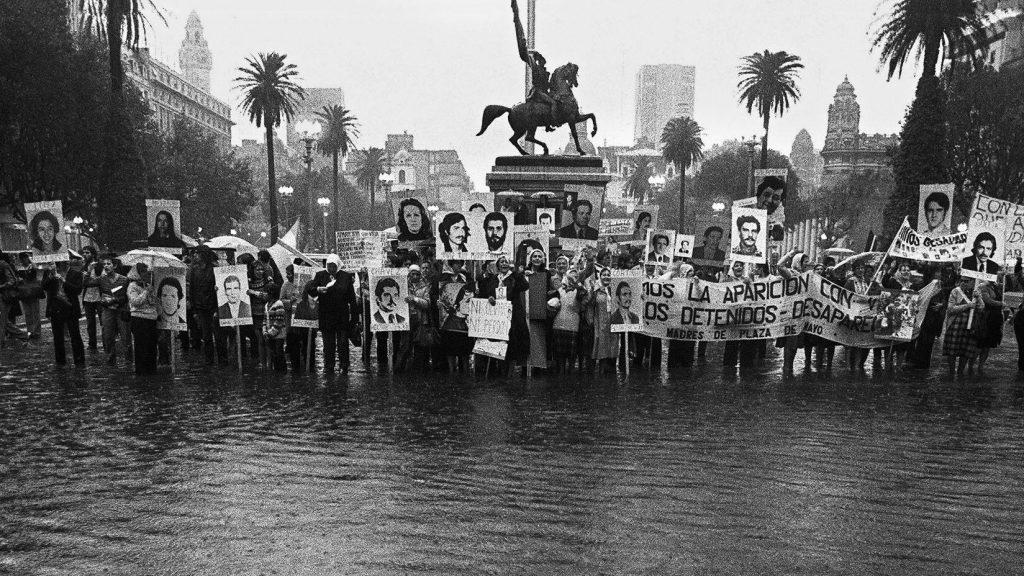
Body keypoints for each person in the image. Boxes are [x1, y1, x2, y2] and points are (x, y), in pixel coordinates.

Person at [306, 254, 359, 375]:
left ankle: (344, 365)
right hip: (326, 315)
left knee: (342, 343)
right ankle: (329, 365)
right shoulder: (321, 275)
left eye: (333, 266)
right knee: (328, 343)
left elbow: (351, 297)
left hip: (342, 315)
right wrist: (319, 289)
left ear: (338, 265)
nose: (331, 269)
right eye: (329, 266)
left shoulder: (345, 276)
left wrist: (354, 317)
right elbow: (311, 289)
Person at [477, 255, 530, 374]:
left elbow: (525, 286)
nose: (504, 264)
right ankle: (499, 370)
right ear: (498, 265)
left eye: (506, 262)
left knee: (511, 343)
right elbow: (487, 293)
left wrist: (516, 272)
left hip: (513, 316)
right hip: (497, 316)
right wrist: (489, 298)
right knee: (498, 343)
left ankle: (510, 372)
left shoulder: (515, 277)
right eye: (502, 262)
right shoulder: (494, 279)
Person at [512, 0, 558, 128]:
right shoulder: (535, 66)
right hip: (538, 93)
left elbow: (549, 86)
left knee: (554, 102)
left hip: (543, 92)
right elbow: (524, 54)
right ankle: (550, 124)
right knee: (553, 104)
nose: (543, 62)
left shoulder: (544, 71)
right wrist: (516, 16)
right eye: (541, 60)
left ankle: (548, 122)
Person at [86, 254, 129, 365]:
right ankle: (110, 359)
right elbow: (86, 284)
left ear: (114, 266)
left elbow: (126, 297)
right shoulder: (101, 279)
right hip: (107, 310)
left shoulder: (124, 280)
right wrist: (88, 271)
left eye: (108, 264)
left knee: (125, 336)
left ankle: (129, 360)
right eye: (104, 264)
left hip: (120, 310)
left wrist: (115, 300)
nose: (106, 266)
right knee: (107, 335)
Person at [41, 263, 85, 365]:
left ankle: (79, 360)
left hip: (71, 307)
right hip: (55, 308)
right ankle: (60, 362)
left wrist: (64, 281)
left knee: (75, 335)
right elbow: (43, 286)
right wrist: (51, 275)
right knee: (57, 337)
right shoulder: (48, 273)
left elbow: (77, 290)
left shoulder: (76, 273)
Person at [187, 246, 219, 364]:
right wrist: (194, 309)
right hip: (201, 307)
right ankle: (209, 360)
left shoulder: (214, 269)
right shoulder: (194, 270)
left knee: (218, 335)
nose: (194, 255)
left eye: (197, 253)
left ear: (203, 255)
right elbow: (193, 289)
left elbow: (218, 289)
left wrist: (217, 308)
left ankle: (222, 360)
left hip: (213, 306)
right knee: (206, 336)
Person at [943, 275, 978, 375]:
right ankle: (951, 372)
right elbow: (950, 309)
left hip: (970, 325)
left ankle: (960, 372)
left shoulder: (975, 293)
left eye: (966, 281)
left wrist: (978, 298)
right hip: (955, 324)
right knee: (952, 350)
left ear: (972, 282)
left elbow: (981, 307)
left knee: (966, 350)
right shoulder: (955, 291)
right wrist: (967, 305)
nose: (963, 283)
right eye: (962, 280)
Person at [127, 263, 158, 374]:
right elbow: (135, 302)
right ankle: (141, 370)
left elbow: (154, 302)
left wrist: (151, 292)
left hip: (151, 318)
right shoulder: (133, 286)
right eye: (143, 272)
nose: (146, 274)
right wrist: (145, 292)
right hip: (139, 318)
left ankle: (151, 369)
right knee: (141, 345)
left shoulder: (148, 285)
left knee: (151, 345)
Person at [974, 278, 1004, 374]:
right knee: (982, 342)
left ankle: (981, 366)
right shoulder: (983, 286)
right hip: (987, 317)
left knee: (989, 344)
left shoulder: (994, 286)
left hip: (995, 317)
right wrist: (1000, 303)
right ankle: (971, 364)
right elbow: (987, 300)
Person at [80, 246, 102, 350]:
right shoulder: (83, 266)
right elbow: (82, 283)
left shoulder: (100, 265)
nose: (85, 254)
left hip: (99, 297)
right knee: (90, 323)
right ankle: (92, 343)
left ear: (92, 254)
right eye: (84, 252)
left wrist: (90, 281)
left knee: (103, 321)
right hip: (88, 297)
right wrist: (88, 273)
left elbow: (102, 280)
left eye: (87, 252)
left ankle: (107, 341)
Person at [16, 253, 42, 339]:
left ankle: (36, 331)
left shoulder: (32, 267)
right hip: (24, 293)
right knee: (27, 313)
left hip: (33, 292)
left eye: (24, 258)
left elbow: (36, 268)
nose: (23, 260)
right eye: (22, 259)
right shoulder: (19, 268)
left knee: (35, 312)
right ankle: (30, 331)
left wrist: (31, 260)